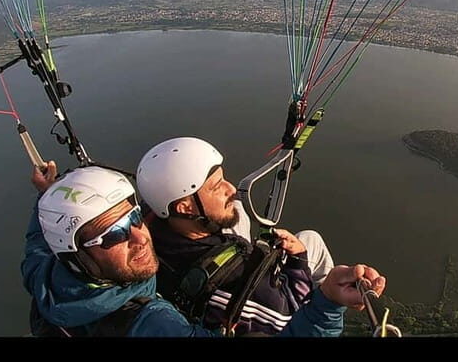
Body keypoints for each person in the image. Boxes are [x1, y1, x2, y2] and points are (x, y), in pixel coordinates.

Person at [24, 163, 386, 337]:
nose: (140, 235)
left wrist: (49, 193)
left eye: (134, 217)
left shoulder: (45, 275)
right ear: (75, 254)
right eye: (114, 234)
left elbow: (39, 242)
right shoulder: (152, 324)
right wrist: (324, 306)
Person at [135, 137, 334, 335]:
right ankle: (333, 290)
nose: (231, 188)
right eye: (216, 186)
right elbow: (284, 317)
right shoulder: (233, 280)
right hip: (250, 295)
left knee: (237, 207)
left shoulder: (148, 221)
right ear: (185, 207)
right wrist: (298, 262)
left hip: (205, 251)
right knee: (311, 239)